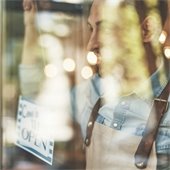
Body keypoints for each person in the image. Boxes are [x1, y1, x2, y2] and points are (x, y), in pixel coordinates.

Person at [19, 0, 170, 169]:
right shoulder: (92, 91)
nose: (91, 44)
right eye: (91, 29)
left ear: (147, 30)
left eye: (104, 27)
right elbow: (33, 106)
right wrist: (31, 26)